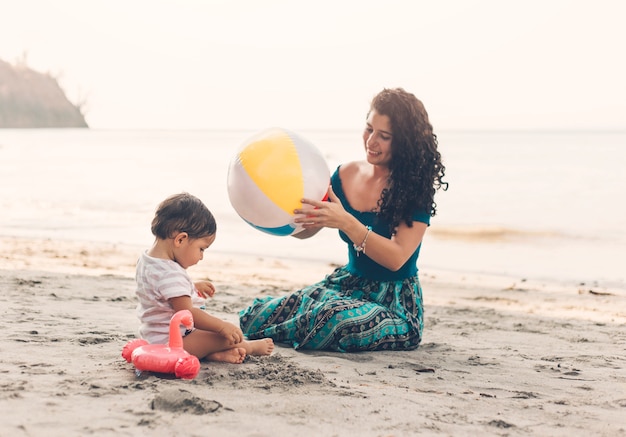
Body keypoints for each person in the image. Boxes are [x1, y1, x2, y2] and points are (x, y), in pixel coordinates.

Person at [239, 88, 447, 352]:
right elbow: (306, 232)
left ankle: (307, 329)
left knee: (332, 317)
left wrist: (346, 221)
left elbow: (397, 259)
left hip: (394, 303)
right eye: (369, 129)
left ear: (404, 142)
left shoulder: (415, 188)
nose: (371, 141)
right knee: (255, 315)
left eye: (384, 136)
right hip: (346, 285)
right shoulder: (345, 174)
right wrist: (283, 212)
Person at [135, 192, 274, 363]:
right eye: (201, 249)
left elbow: (162, 291)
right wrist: (221, 326)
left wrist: (192, 287)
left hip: (154, 338)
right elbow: (188, 314)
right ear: (180, 240)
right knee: (226, 337)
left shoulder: (148, 261)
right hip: (175, 342)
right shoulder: (170, 273)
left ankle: (214, 355)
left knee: (213, 339)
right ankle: (251, 347)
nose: (201, 257)